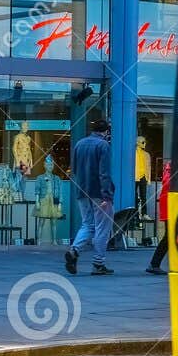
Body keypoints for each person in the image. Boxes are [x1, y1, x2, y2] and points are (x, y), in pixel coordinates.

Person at [65, 118, 115, 276]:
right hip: (99, 193)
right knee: (102, 227)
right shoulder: (103, 145)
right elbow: (104, 173)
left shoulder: (79, 144)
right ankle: (98, 263)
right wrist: (107, 196)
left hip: (82, 191)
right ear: (106, 132)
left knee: (87, 225)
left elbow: (74, 170)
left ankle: (74, 250)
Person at [146, 161, 171, 275]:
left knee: (170, 237)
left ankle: (154, 264)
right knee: (169, 237)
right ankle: (154, 264)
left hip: (169, 204)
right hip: (170, 205)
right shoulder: (172, 167)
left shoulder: (170, 167)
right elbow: (168, 183)